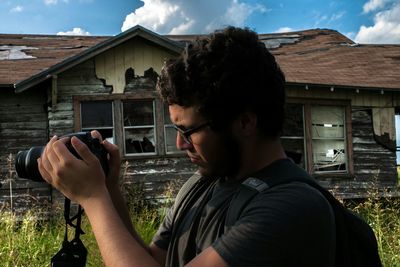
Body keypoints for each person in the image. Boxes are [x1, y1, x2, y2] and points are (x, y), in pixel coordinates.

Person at [37, 26, 336, 267]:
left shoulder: (292, 207)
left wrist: (93, 198)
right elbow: (154, 260)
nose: (179, 143)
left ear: (245, 122)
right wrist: (110, 189)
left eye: (188, 130)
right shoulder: (200, 185)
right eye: (175, 129)